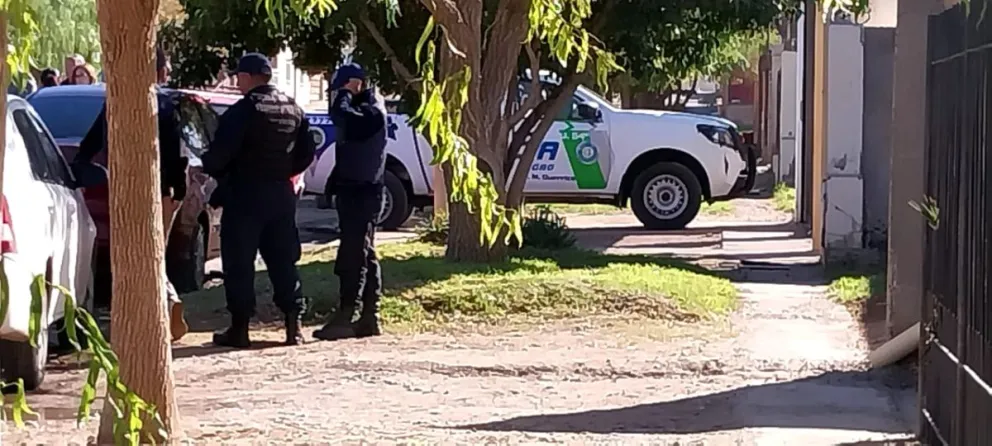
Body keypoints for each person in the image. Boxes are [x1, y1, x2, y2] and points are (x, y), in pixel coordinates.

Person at [76, 47, 189, 341]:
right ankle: (166, 300)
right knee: (154, 253)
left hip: (125, 190)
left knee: (135, 255)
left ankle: (153, 311)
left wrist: (78, 167)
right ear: (161, 72)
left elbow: (91, 142)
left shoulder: (116, 102)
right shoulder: (165, 104)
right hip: (162, 190)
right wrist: (178, 189)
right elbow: (176, 152)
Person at [202, 53, 315, 348]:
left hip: (245, 195)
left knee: (239, 262)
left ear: (250, 77)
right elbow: (306, 153)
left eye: (239, 76)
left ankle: (240, 329)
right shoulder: (294, 109)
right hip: (280, 194)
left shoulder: (243, 111)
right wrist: (282, 172)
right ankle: (294, 325)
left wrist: (214, 168)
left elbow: (219, 157)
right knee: (284, 259)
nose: (237, 81)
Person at [312, 63, 387, 341]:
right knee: (364, 252)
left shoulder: (371, 112)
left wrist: (345, 94)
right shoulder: (366, 109)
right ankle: (368, 316)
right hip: (356, 189)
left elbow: (341, 116)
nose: (338, 96)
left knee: (353, 254)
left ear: (357, 83)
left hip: (362, 192)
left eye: (343, 88)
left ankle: (347, 314)